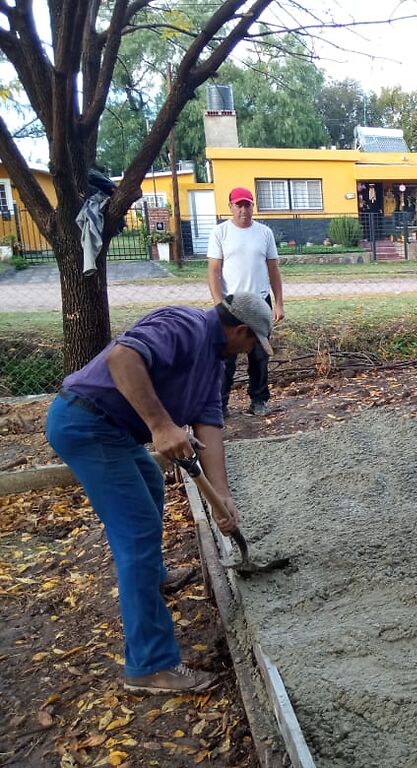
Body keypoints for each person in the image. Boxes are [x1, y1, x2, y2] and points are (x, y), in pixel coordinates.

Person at [45, 293, 274, 693]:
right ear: (239, 330)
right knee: (136, 535)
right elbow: (122, 358)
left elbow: (209, 425)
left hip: (114, 430)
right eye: (254, 342)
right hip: (87, 422)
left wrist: (222, 496)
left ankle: (156, 576)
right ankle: (149, 666)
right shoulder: (183, 324)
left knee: (150, 483)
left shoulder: (214, 364)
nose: (252, 350)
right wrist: (161, 425)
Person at [207, 186, 284, 417]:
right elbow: (213, 271)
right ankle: (220, 405)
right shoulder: (220, 233)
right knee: (226, 357)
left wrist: (279, 303)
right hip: (232, 305)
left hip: (260, 302)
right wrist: (219, 303)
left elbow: (273, 270)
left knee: (260, 355)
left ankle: (258, 401)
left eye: (247, 204)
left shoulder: (264, 233)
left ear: (253, 206)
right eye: (238, 205)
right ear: (230, 206)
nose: (243, 209)